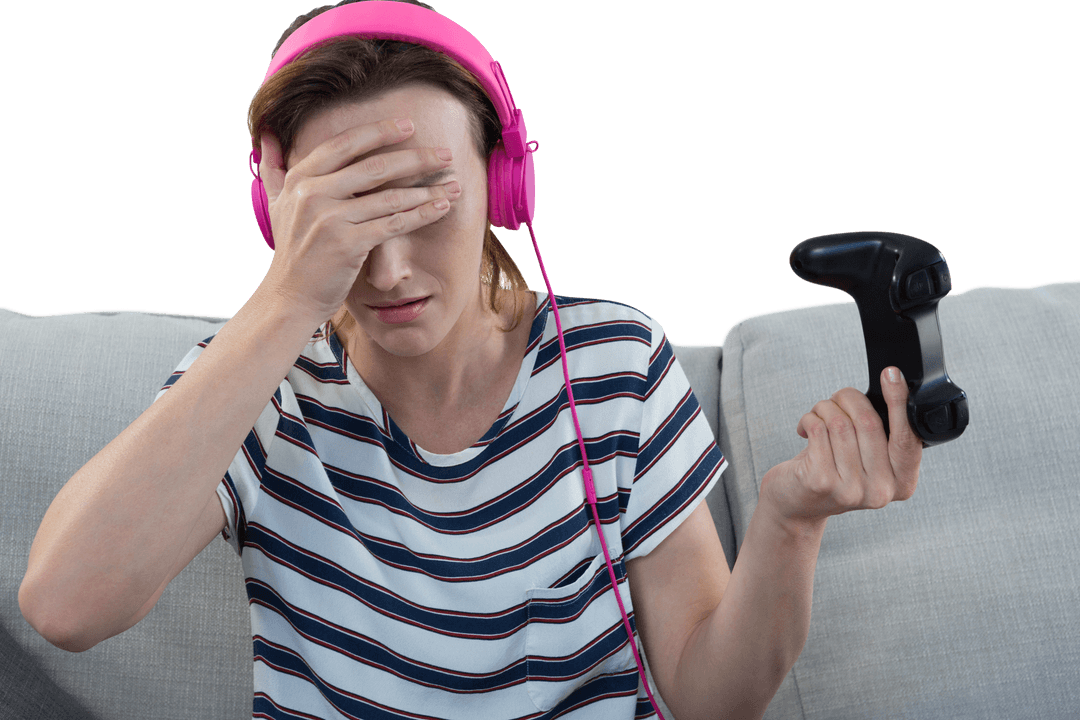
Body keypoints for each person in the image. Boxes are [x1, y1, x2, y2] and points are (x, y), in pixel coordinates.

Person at [20, 1, 924, 718]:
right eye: (348, 214)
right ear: (281, 208)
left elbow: (709, 698)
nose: (391, 269)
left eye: (420, 199)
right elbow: (66, 608)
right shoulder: (257, 385)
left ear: (503, 179)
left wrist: (789, 524)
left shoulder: (612, 364)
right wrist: (290, 294)